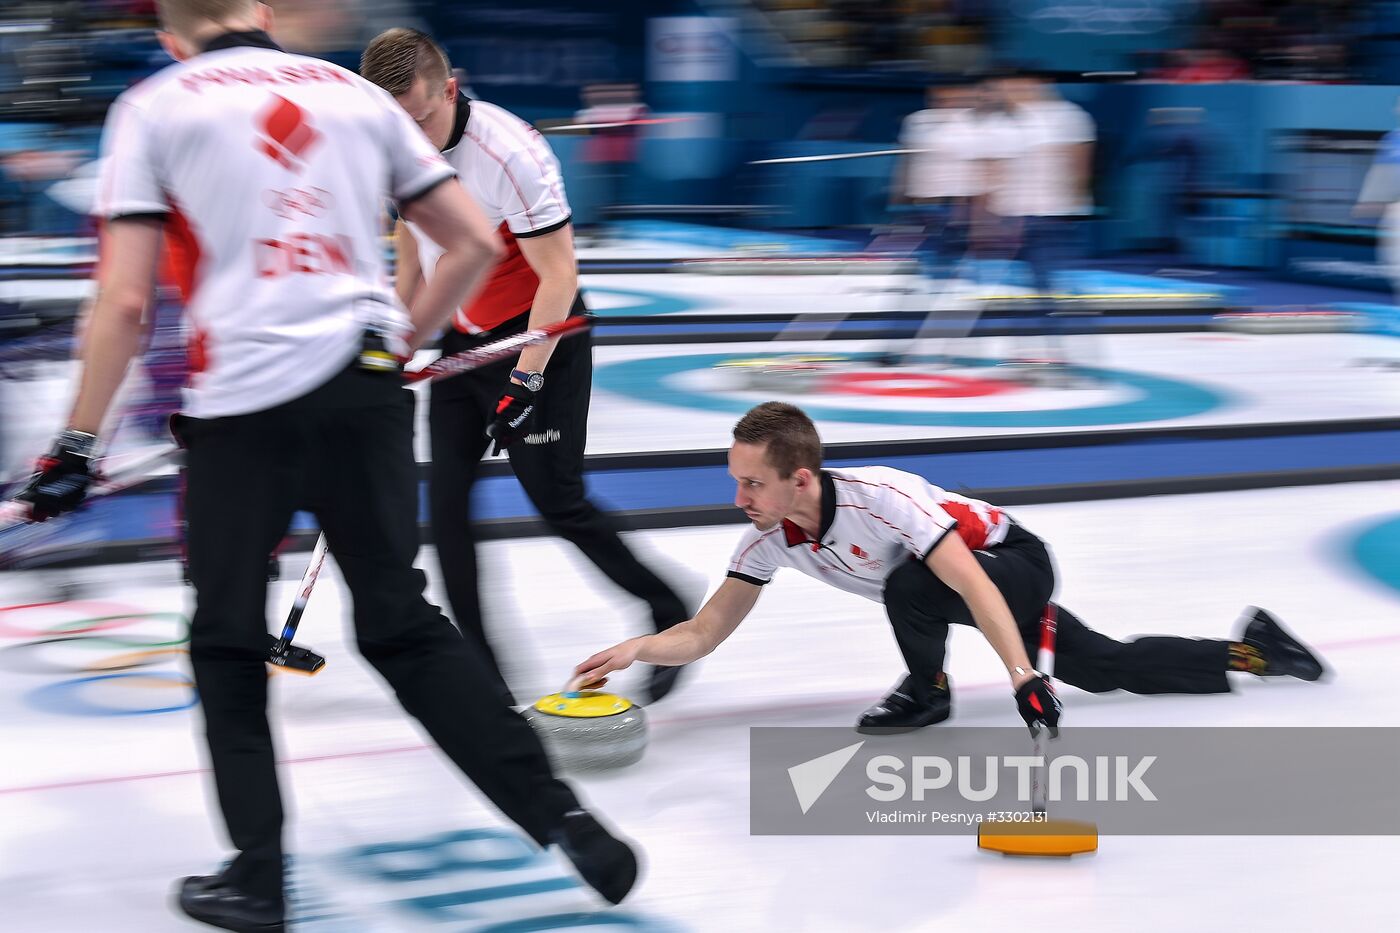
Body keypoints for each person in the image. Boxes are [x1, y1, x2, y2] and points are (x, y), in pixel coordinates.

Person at [18, 3, 638, 929]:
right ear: (260, 13)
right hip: (367, 390)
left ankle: (256, 874)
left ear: (168, 32)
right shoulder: (357, 94)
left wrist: (75, 447)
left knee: (228, 641)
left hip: (244, 408)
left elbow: (125, 300)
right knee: (404, 627)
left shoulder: (155, 103)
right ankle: (567, 820)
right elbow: (470, 241)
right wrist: (405, 343)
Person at [571, 402, 1326, 733]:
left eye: (751, 482)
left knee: (914, 584)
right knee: (1100, 664)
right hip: (953, 590)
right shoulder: (770, 538)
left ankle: (927, 691)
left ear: (801, 477)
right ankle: (1259, 650)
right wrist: (638, 646)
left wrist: (1022, 676)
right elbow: (705, 632)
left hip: (1012, 564)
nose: (737, 497)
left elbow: (967, 580)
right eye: (735, 480)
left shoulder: (884, 499)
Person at [359, 28, 690, 707]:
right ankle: (481, 668)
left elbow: (558, 274)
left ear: (449, 90)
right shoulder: (390, 147)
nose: (409, 140)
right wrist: (385, 355)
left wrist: (527, 377)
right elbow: (413, 264)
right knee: (446, 509)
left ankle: (668, 609)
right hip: (464, 340)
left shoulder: (507, 152)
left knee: (557, 501)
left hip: (543, 336)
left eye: (419, 119)